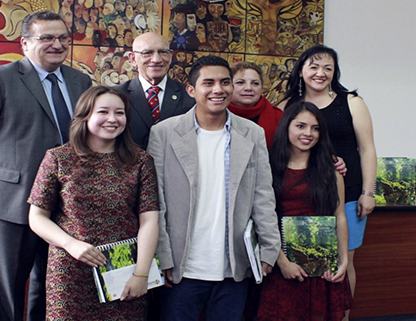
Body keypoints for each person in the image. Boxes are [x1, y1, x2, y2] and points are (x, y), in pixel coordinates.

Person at [0, 11, 92, 321]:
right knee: (9, 286)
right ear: (25, 43)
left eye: (62, 38)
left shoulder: (80, 80)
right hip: (12, 200)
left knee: (51, 284)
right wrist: (2, 169)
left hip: (65, 204)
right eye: (46, 38)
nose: (56, 44)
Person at [146, 55, 281, 321]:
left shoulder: (251, 133)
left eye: (225, 82)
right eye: (208, 83)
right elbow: (155, 202)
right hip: (182, 266)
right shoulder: (164, 133)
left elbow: (263, 196)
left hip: (235, 265)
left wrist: (269, 248)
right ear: (191, 90)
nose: (218, 89)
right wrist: (163, 257)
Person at [27, 86, 159, 320]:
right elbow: (36, 217)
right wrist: (71, 244)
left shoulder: (140, 161)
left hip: (123, 269)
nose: (112, 119)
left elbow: (149, 220)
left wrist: (141, 274)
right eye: (103, 112)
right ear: (85, 116)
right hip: (69, 270)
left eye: (119, 113)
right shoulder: (58, 158)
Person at [279, 45, 377, 320]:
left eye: (328, 68)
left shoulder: (351, 101)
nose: (320, 73)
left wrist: (369, 192)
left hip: (347, 193)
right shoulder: (287, 106)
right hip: (303, 196)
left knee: (345, 260)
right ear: (301, 70)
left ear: (335, 73)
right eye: (314, 66)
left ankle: (342, 316)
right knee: (305, 263)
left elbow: (367, 148)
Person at [257, 101, 352, 321]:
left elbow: (339, 217)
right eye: (300, 126)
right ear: (287, 127)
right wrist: (282, 261)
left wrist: (343, 260)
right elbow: (262, 218)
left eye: (315, 128)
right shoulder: (268, 166)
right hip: (280, 262)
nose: (308, 133)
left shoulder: (331, 169)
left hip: (321, 262)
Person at [116, 32, 195, 150]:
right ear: (133, 59)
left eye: (163, 52)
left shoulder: (190, 96)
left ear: (171, 56)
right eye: (147, 53)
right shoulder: (117, 96)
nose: (156, 59)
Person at [227, 61, 283, 147]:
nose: (249, 88)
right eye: (240, 82)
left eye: (255, 83)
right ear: (229, 86)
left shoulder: (279, 118)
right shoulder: (217, 115)